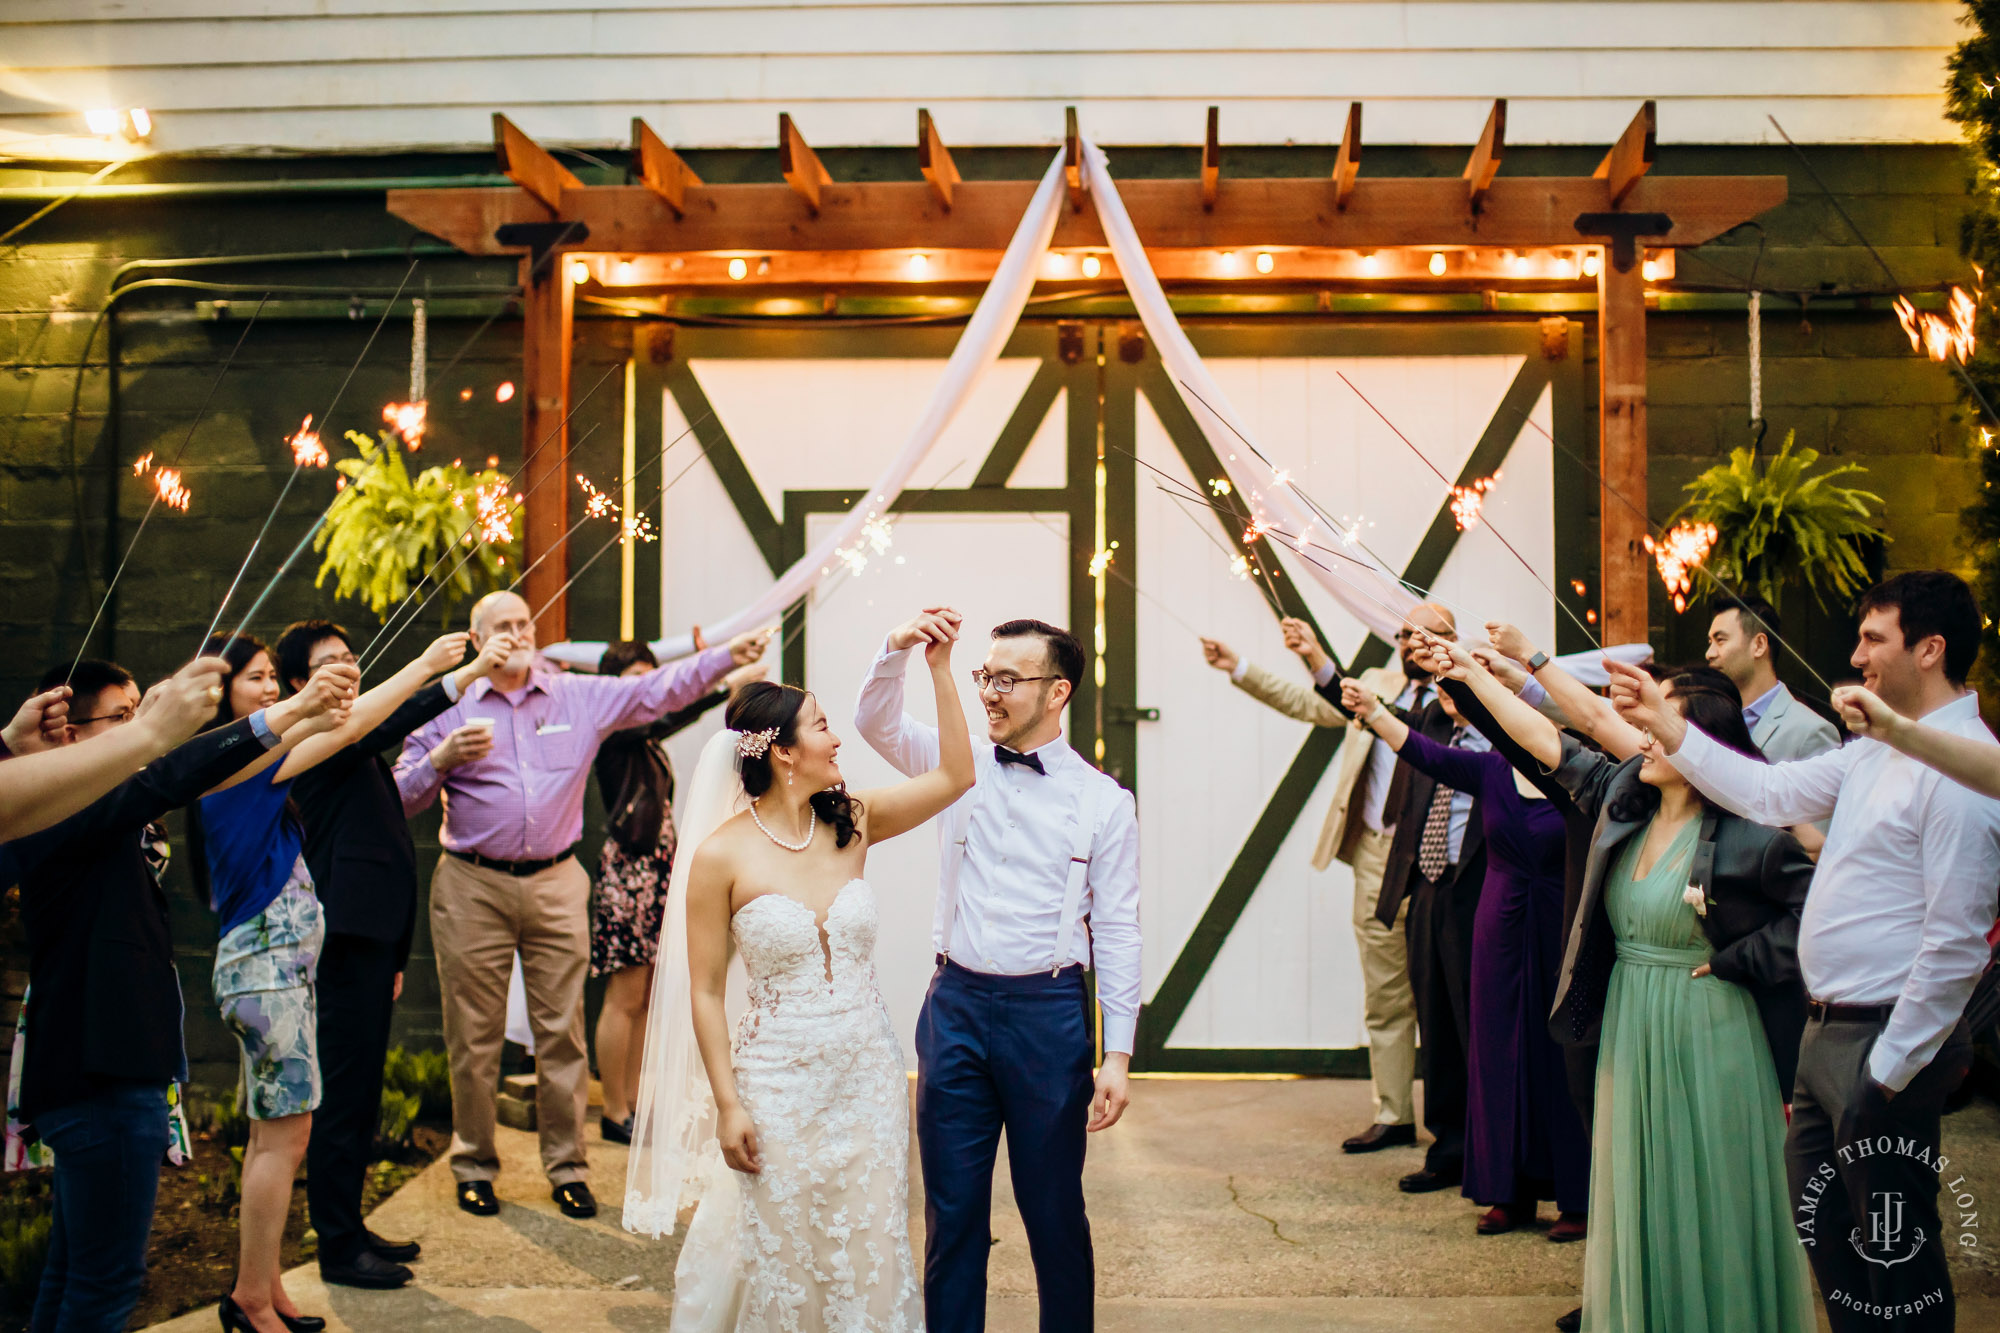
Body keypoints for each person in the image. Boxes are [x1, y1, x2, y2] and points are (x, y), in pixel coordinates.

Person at [1608, 570, 2000, 1333]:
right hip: (1825, 1033)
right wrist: (1668, 721)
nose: (1856, 656)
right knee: (1831, 1244)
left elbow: (1956, 945)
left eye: (1872, 638)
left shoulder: (1961, 771)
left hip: (1886, 1040)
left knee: (1897, 1258)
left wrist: (1888, 1074)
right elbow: (1766, 793)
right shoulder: (1873, 748)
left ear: (1930, 649)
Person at [1424, 631, 1817, 1331]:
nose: (1642, 732)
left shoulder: (1752, 832)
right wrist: (1474, 678)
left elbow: (1813, 916)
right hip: (1631, 1026)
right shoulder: (1622, 800)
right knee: (1640, 1190)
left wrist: (1739, 960)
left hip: (1712, 1031)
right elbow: (1548, 740)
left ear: (1704, 744)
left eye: (1662, 723)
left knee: (1710, 1195)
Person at [627, 645, 976, 1328]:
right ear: (783, 752)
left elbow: (958, 774)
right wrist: (728, 1105)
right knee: (780, 1246)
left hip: (866, 1077)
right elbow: (703, 991)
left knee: (866, 1238)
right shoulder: (721, 854)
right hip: (776, 1081)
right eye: (821, 725)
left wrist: (937, 667)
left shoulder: (854, 820)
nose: (837, 736)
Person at [0, 657, 351, 1333]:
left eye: (142, 708)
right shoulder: (71, 807)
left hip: (92, 1068)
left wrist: (294, 715)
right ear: (69, 735)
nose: (142, 725)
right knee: (104, 1287)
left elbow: (192, 775)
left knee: (71, 1274)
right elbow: (171, 772)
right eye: (124, 714)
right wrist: (283, 714)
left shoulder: (75, 809)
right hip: (101, 1069)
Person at [394, 591, 768, 1221]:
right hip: (471, 881)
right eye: (502, 627)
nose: (515, 635)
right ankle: (474, 1165)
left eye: (523, 624)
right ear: (477, 638)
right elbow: (399, 796)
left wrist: (722, 658)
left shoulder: (574, 694)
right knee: (474, 1035)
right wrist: (439, 761)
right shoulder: (448, 703)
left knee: (561, 1033)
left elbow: (657, 691)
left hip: (556, 880)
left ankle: (567, 1167)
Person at [855, 609, 1138, 1333]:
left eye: (1007, 678)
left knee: (1053, 1212)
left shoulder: (1105, 801)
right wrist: (898, 649)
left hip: (1048, 1016)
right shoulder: (959, 764)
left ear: (1058, 692)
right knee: (952, 1216)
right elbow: (876, 723)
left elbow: (1117, 928)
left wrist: (1119, 1053)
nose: (989, 691)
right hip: (955, 1006)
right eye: (987, 674)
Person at [273, 618, 512, 1291]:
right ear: (298, 682)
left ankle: (347, 1222)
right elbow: (395, 717)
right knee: (343, 1096)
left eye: (353, 658)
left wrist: (398, 953)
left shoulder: (348, 738)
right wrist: (453, 673)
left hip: (373, 942)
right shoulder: (315, 737)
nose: (349, 669)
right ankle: (339, 1246)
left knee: (360, 1090)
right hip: (345, 941)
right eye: (332, 662)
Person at [1340, 674, 1588, 1241]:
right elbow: (1420, 751)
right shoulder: (1489, 768)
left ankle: (1576, 1196)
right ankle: (1508, 1193)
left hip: (1557, 921)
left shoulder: (1576, 774)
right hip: (1497, 927)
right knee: (1495, 1054)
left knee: (1559, 1056)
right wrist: (1375, 710)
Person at [1200, 616, 1420, 1153]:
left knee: (1453, 993)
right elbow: (1310, 702)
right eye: (1408, 634)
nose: (1415, 642)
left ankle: (1469, 1126)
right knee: (1386, 994)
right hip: (1376, 853)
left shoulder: (1468, 698)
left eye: (1429, 634)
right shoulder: (1378, 684)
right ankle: (1394, 1115)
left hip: (1446, 858)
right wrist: (1240, 667)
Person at [588, 640, 760, 1144]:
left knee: (643, 996)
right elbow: (662, 718)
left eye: (652, 680)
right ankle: (613, 1107)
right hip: (628, 874)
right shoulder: (616, 730)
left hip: (658, 871)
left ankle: (637, 1102)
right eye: (635, 681)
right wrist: (719, 690)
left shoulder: (644, 743)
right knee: (622, 996)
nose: (647, 693)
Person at [1364, 607, 1491, 1196]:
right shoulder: (1428, 719)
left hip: (1478, 887)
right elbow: (1401, 728)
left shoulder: (1500, 731)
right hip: (1428, 885)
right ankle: (1450, 1149)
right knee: (1436, 1025)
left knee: (1477, 1027)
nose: (1442, 689)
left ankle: (1494, 1151)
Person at [0, 657, 231, 843]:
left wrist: (10, 743)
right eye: (121, 716)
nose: (132, 723)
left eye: (135, 711)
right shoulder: (77, 804)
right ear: (71, 734)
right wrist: (152, 730)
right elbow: (167, 777)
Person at [1704, 597, 1841, 762]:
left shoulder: (1811, 731)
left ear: (1759, 645)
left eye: (1720, 640)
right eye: (1710, 642)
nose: (1709, 653)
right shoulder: (1713, 718)